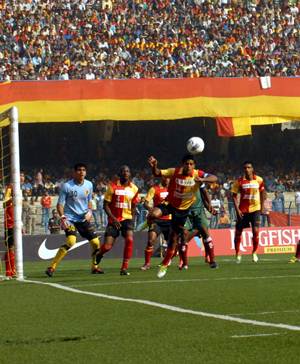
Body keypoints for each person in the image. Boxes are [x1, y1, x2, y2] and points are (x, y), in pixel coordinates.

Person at [148, 154, 217, 278]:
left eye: (191, 164)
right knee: (153, 214)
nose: (189, 166)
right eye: (187, 164)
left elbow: (214, 177)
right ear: (182, 164)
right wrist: (154, 166)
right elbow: (157, 173)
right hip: (169, 204)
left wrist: (203, 180)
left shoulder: (197, 174)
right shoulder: (174, 171)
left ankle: (165, 264)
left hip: (182, 211)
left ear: (194, 166)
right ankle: (151, 222)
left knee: (173, 240)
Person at [45, 163, 102, 277]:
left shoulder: (89, 185)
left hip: (83, 219)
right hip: (70, 218)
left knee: (96, 243)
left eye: (84, 170)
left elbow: (89, 200)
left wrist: (90, 211)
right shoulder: (67, 186)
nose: (82, 172)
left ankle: (94, 267)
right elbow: (60, 204)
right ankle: (52, 267)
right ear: (74, 172)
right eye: (79, 170)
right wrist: (63, 217)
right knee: (71, 241)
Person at [95, 165, 139, 275]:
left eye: (128, 171)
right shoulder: (112, 187)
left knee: (129, 239)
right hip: (114, 220)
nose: (126, 173)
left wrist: (132, 218)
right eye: (123, 171)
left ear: (130, 174)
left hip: (127, 219)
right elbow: (105, 205)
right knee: (107, 247)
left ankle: (124, 268)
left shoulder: (134, 188)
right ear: (119, 174)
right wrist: (113, 218)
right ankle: (99, 254)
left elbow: (133, 205)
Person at [231, 161, 265, 264]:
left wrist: (262, 208)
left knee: (255, 231)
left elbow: (263, 193)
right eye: (245, 168)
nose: (247, 169)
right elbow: (233, 196)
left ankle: (254, 252)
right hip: (243, 211)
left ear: (252, 169)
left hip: (256, 209)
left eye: (249, 167)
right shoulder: (239, 181)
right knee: (238, 233)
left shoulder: (259, 180)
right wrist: (237, 210)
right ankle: (237, 254)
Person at [182, 186, 218, 270]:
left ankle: (212, 261)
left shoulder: (197, 177)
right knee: (184, 236)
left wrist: (209, 206)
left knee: (206, 233)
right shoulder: (179, 179)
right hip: (185, 212)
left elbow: (204, 192)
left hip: (199, 211)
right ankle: (184, 263)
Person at [140, 176, 171, 271]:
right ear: (162, 179)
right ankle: (147, 264)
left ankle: (169, 261)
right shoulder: (154, 189)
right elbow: (145, 203)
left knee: (172, 243)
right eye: (166, 178)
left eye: (169, 178)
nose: (167, 179)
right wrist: (151, 210)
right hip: (156, 220)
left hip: (169, 220)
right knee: (151, 240)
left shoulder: (173, 189)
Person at [3, 172, 25, 277]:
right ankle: (9, 271)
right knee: (11, 247)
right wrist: (12, 197)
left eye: (23, 176)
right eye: (20, 175)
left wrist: (21, 223)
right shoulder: (10, 188)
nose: (22, 177)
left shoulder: (20, 190)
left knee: (16, 247)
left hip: (17, 222)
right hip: (10, 223)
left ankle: (13, 270)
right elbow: (4, 203)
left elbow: (19, 209)